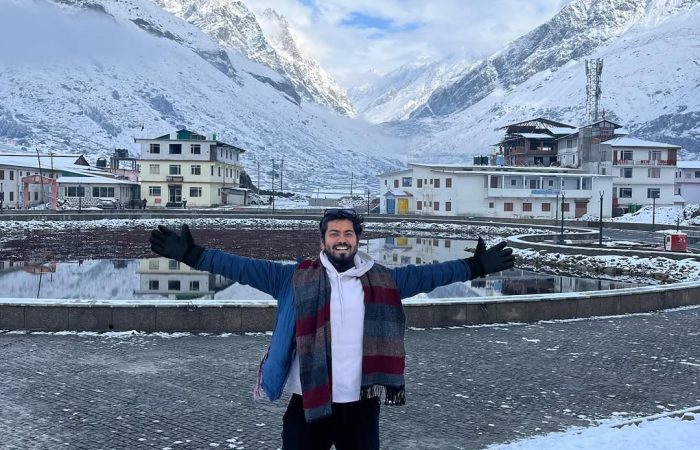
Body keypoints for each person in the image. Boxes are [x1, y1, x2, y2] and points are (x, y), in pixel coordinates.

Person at [149, 209, 514, 450]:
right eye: (334, 233)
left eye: (349, 233)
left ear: (358, 239)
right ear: (322, 240)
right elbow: (242, 267)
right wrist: (192, 255)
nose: (342, 238)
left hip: (360, 403)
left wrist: (476, 265)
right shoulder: (293, 278)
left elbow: (431, 275)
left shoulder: (384, 280)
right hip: (308, 399)